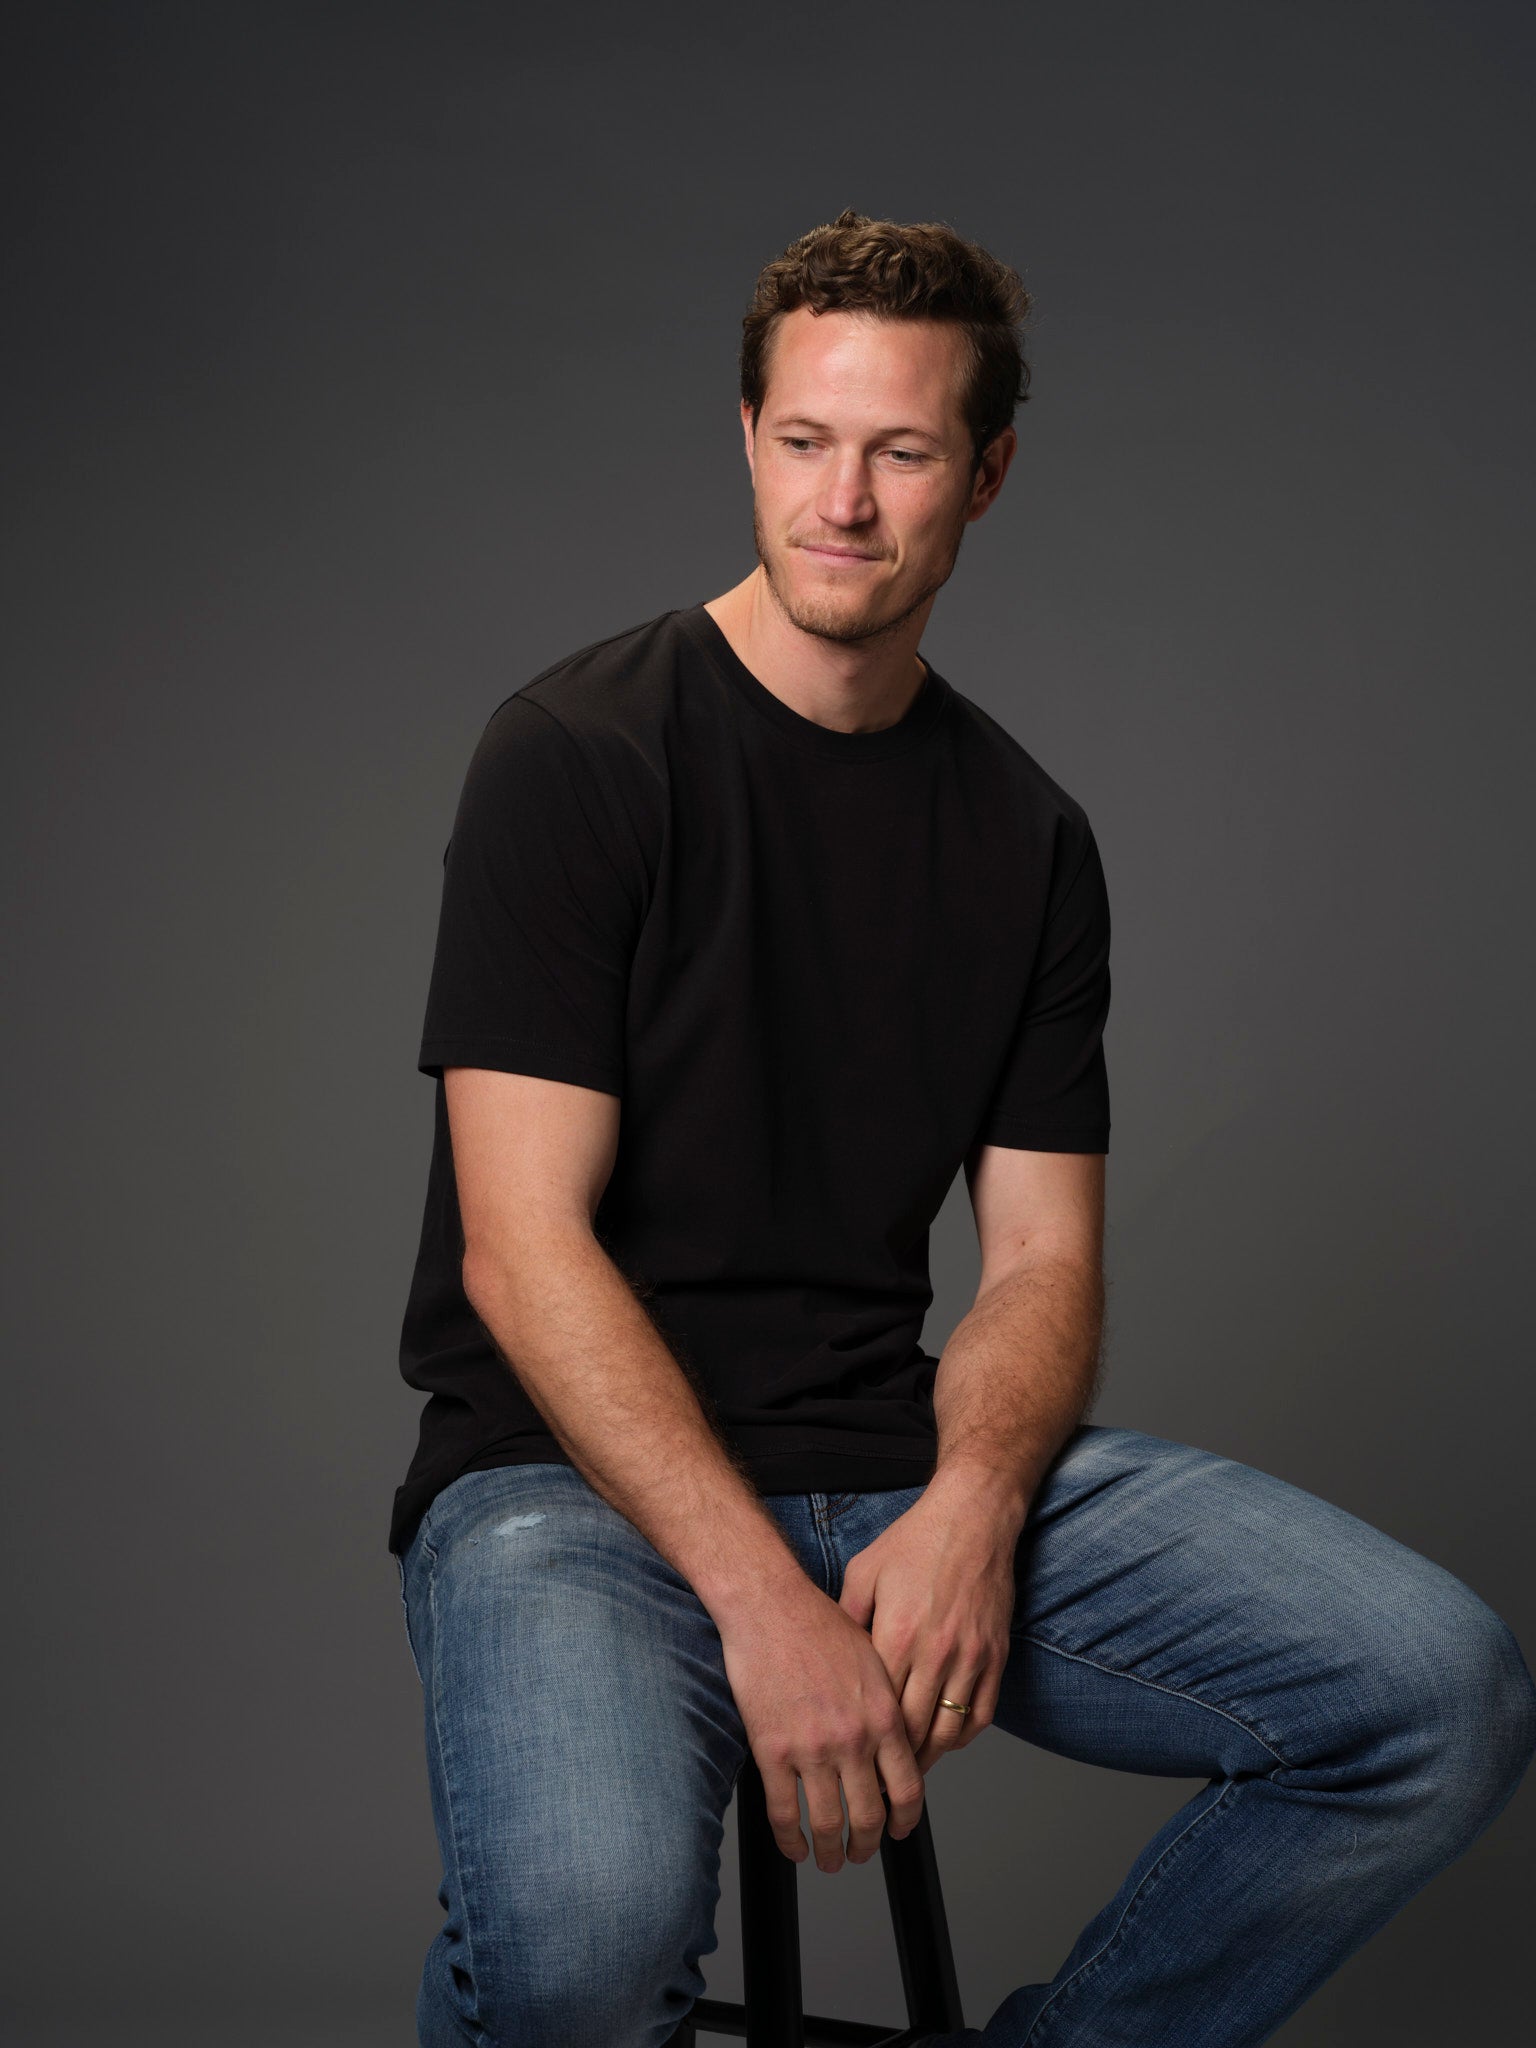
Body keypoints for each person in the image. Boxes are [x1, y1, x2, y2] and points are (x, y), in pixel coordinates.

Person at [389, 209, 1535, 2048]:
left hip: (895, 1470)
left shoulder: (1028, 838)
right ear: (747, 442)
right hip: (566, 1488)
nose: (844, 500)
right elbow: (522, 1250)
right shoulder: (580, 755)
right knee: (588, 1946)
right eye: (805, 441)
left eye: (902, 451)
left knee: (1437, 1692)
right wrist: (765, 1608)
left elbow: (1046, 1264)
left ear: (985, 474)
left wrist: (976, 1503)